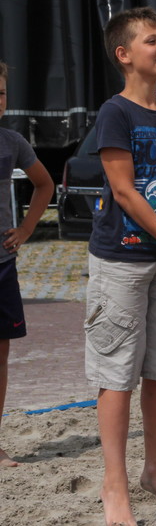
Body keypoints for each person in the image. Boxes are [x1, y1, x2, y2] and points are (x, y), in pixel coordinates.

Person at [85, 7, 156, 525]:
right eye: (151, 40)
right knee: (117, 376)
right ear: (124, 54)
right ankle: (115, 485)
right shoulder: (115, 113)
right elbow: (125, 191)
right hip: (121, 263)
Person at [0, 60, 55, 468]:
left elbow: (44, 184)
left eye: (1, 93)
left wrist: (26, 228)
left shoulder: (12, 142)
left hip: (2, 264)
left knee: (0, 354)